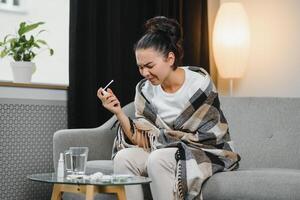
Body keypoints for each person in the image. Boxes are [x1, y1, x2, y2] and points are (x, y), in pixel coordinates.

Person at [97, 16, 241, 200]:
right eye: (140, 67)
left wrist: (166, 140)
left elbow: (208, 137)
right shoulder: (144, 90)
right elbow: (145, 140)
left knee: (158, 159)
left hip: (203, 151)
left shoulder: (199, 85)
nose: (145, 73)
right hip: (162, 150)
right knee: (123, 158)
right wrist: (118, 111)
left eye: (150, 66)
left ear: (170, 58)